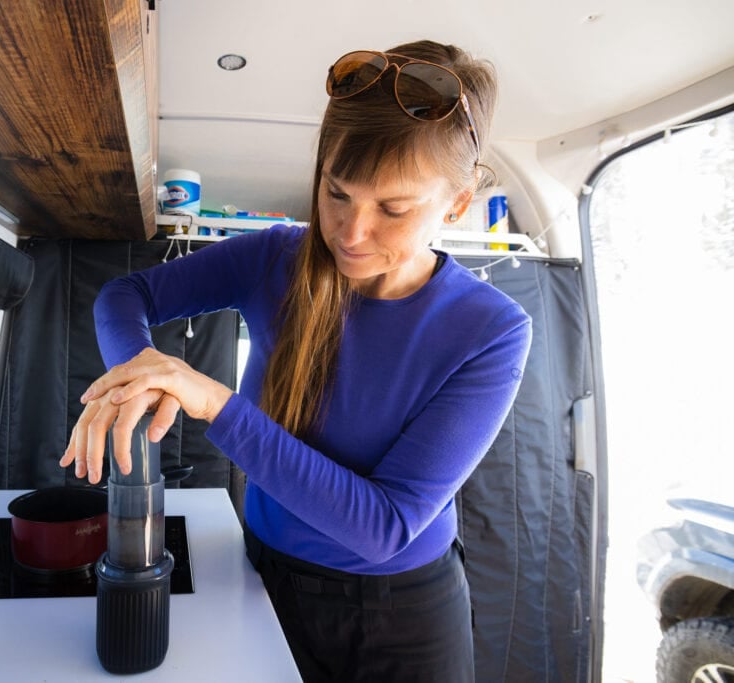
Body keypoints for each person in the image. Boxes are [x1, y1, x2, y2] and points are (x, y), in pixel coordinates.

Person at [60, 39, 532, 683]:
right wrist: (139, 369)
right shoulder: (275, 258)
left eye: (393, 209)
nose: (350, 233)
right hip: (263, 575)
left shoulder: (492, 330)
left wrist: (216, 403)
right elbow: (125, 295)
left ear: (457, 201)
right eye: (336, 193)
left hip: (402, 618)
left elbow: (384, 526)